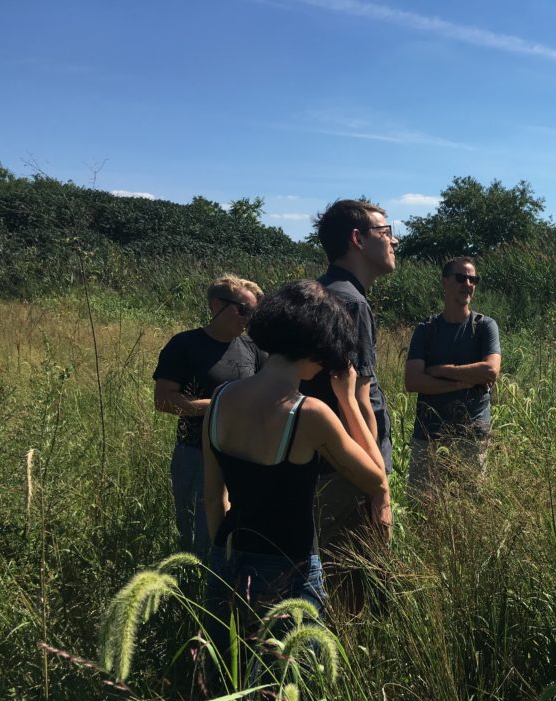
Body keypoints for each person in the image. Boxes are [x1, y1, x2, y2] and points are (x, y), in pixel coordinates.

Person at [201, 280, 389, 661]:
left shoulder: (221, 399)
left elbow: (212, 497)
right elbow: (375, 478)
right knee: (289, 686)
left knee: (230, 673)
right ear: (320, 350)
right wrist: (349, 400)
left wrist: (224, 558)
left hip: (229, 554)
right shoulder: (310, 414)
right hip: (292, 570)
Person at [300, 199, 397, 609]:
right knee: (355, 585)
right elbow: (356, 399)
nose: (394, 240)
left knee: (330, 574)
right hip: (350, 472)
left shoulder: (316, 293)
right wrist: (378, 485)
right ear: (357, 239)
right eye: (385, 231)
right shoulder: (352, 303)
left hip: (318, 465)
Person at [153, 274, 265, 555]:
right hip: (195, 452)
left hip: (243, 455)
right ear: (216, 305)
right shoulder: (185, 345)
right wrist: (216, 404)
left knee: (241, 532)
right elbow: (164, 400)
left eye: (253, 312)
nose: (248, 318)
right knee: (197, 535)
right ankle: (201, 590)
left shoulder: (253, 349)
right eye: (243, 309)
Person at [403, 258, 501, 495]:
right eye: (461, 278)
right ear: (445, 282)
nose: (468, 284)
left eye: (473, 279)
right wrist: (465, 381)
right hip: (429, 435)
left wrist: (440, 371)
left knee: (470, 510)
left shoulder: (485, 327)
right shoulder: (426, 330)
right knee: (423, 509)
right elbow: (413, 381)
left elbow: (490, 371)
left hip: (471, 437)